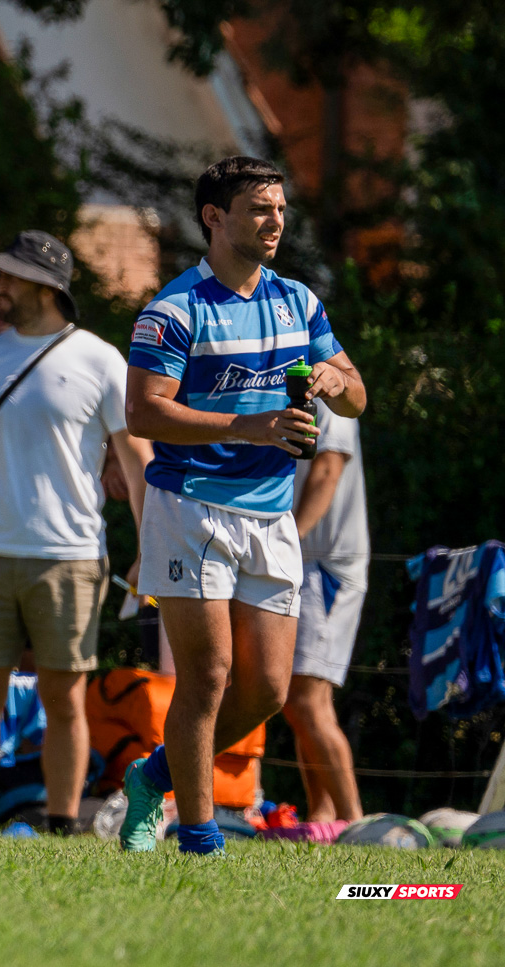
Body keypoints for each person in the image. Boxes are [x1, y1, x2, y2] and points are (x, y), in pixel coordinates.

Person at [118, 156, 366, 855]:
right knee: (208, 675)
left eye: (281, 208)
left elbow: (357, 394)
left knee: (268, 692)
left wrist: (333, 376)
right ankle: (198, 838)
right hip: (190, 506)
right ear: (215, 218)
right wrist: (245, 426)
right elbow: (143, 413)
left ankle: (153, 774)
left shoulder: (299, 301)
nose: (276, 220)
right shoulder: (173, 310)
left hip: (270, 514)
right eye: (260, 208)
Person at [0, 230, 152, 835]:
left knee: (65, 697)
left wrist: (152, 546)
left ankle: (63, 822)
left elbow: (136, 460)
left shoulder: (99, 359)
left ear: (46, 286)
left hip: (69, 555)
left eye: (11, 277)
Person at [279, 398, 368, 835]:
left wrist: (288, 541)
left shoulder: (330, 400)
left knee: (306, 701)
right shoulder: (287, 390)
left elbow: (329, 469)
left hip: (325, 566)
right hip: (304, 563)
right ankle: (322, 819)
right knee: (301, 702)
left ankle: (356, 824)